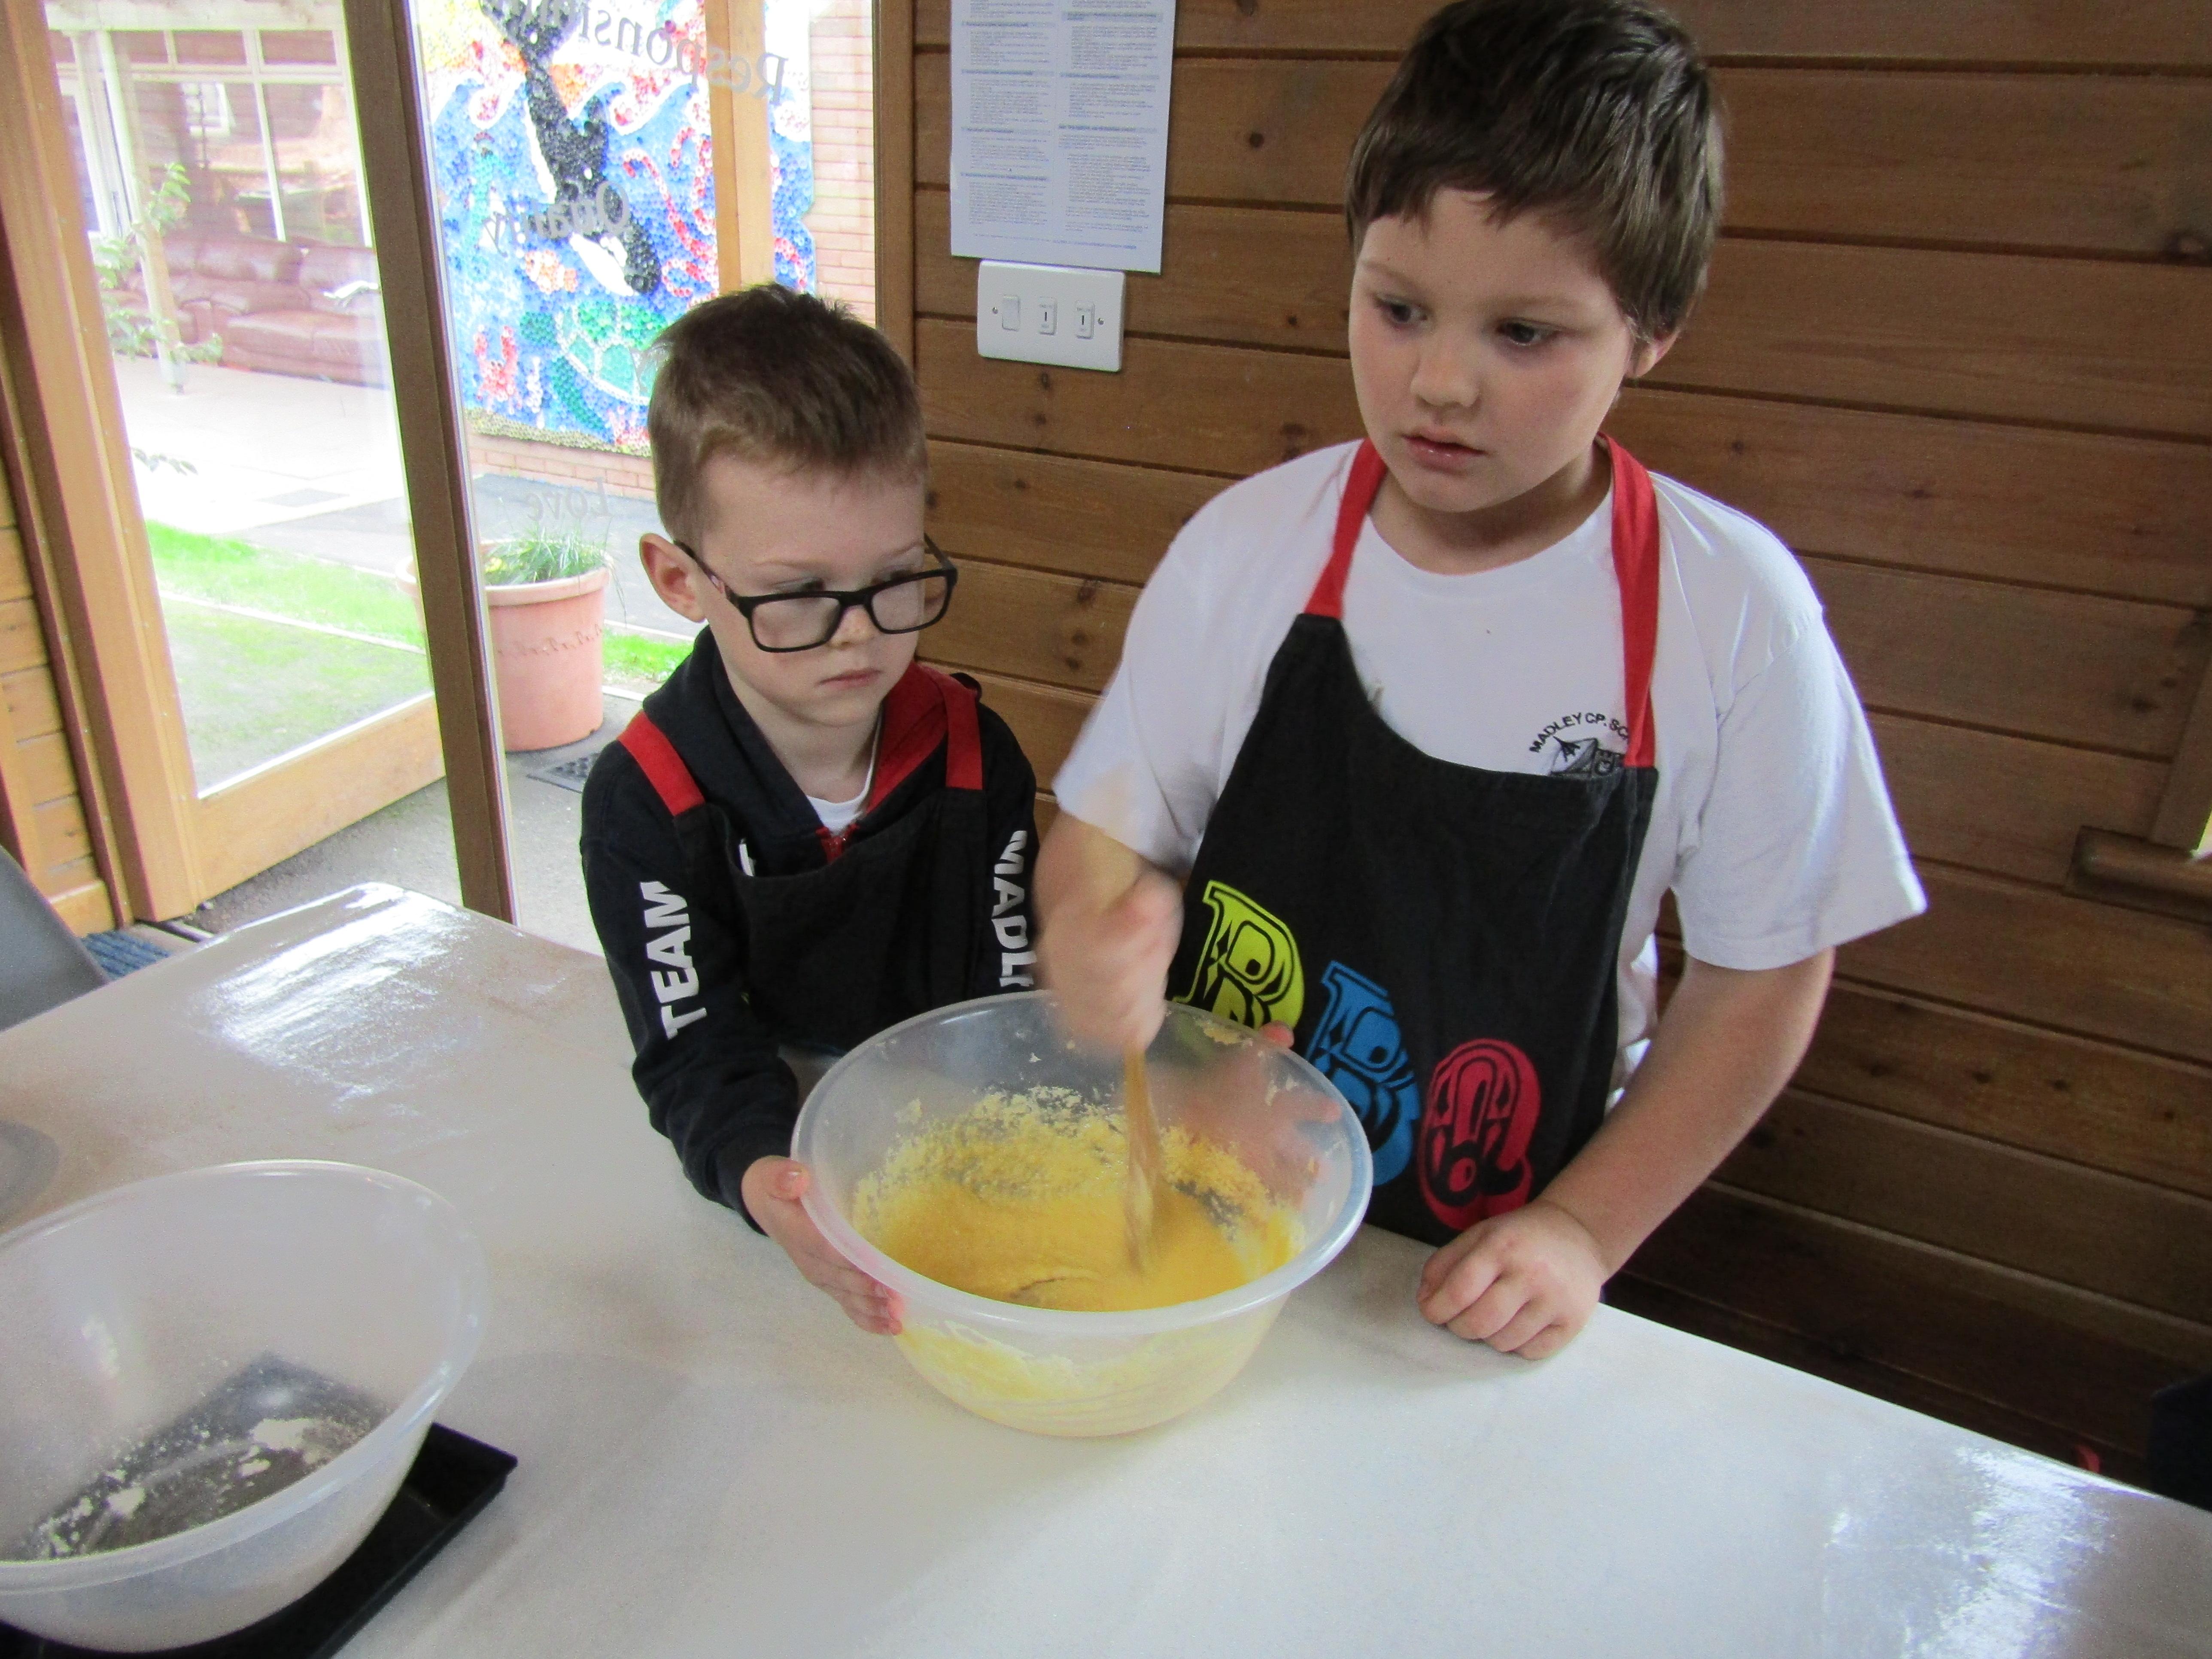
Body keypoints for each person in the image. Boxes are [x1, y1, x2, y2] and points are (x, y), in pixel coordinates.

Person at [1036, 0, 1925, 1361]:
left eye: (1524, 333)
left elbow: (1761, 982)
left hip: (1480, 1275)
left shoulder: (1732, 615)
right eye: (1398, 309)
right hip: (1202, 1219)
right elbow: (1105, 829)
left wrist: (1584, 1231)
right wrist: (1093, 925)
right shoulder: (1247, 551)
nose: (1440, 382)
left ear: (1651, 331)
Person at [583, 286, 1039, 1335]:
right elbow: (694, 1049)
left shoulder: (976, 756)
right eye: (796, 596)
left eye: (894, 580)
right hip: (769, 1197)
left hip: (954, 1151)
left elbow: (1005, 987)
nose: (858, 636)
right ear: (679, 580)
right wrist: (765, 1182)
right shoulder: (645, 804)